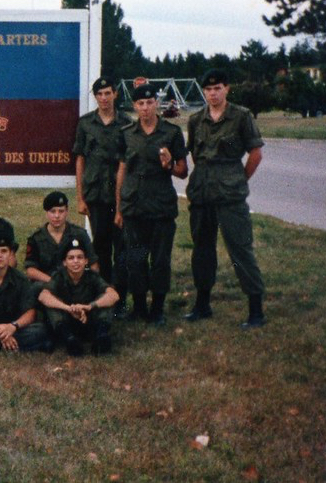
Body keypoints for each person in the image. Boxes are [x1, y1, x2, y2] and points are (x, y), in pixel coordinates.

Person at [184, 69, 266, 328]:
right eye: (208, 89)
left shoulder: (240, 116)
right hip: (202, 193)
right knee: (202, 251)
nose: (213, 93)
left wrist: (238, 180)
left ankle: (256, 310)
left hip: (230, 195)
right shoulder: (196, 120)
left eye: (218, 88)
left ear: (227, 89)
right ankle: (202, 304)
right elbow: (197, 157)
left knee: (240, 250)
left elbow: (255, 154)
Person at [114, 84, 188, 325]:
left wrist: (168, 164)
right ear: (135, 106)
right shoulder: (126, 133)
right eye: (140, 104)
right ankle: (139, 307)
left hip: (160, 208)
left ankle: (157, 309)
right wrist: (119, 207)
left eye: (149, 103)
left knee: (159, 260)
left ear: (156, 103)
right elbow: (122, 170)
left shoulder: (172, 132)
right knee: (135, 260)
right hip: (133, 207)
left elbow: (182, 171)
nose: (145, 108)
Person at [73, 76, 133, 312]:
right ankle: (104, 295)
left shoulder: (127, 124)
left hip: (121, 198)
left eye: (108, 93)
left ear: (115, 94)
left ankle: (121, 298)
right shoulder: (86, 123)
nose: (104, 98)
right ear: (95, 97)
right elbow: (80, 160)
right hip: (96, 196)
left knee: (124, 251)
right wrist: (80, 197)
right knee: (100, 250)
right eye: (100, 94)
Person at [38, 237, 119, 356]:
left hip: (88, 320)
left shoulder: (92, 276)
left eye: (80, 257)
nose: (76, 261)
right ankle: (70, 340)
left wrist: (89, 307)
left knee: (105, 299)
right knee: (52, 303)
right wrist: (68, 308)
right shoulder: (59, 277)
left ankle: (101, 338)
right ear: (64, 262)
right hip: (67, 324)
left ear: (86, 261)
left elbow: (114, 295)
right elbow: (43, 296)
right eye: (71, 258)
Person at [24, 191, 98, 286]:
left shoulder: (80, 234)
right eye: (53, 211)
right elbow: (31, 270)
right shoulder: (36, 238)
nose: (57, 216)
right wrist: (53, 282)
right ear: (46, 213)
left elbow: (93, 265)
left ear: (67, 211)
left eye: (61, 211)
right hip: (47, 285)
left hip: (75, 285)